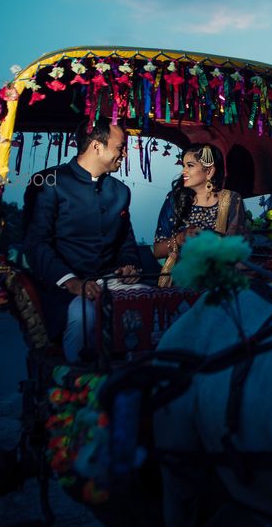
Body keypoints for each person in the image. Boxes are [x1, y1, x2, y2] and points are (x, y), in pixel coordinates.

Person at [22, 120, 142, 361]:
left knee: (151, 307)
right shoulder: (48, 181)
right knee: (83, 317)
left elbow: (126, 241)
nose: (125, 153)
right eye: (121, 147)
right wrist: (72, 282)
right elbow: (36, 244)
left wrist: (129, 264)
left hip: (112, 284)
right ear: (97, 146)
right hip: (64, 290)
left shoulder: (120, 191)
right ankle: (75, 386)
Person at [153, 144, 249, 286]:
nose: (183, 171)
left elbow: (238, 250)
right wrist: (179, 239)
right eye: (184, 165)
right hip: (179, 282)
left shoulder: (231, 200)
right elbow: (157, 250)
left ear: (209, 171)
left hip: (217, 282)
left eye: (190, 165)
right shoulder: (175, 199)